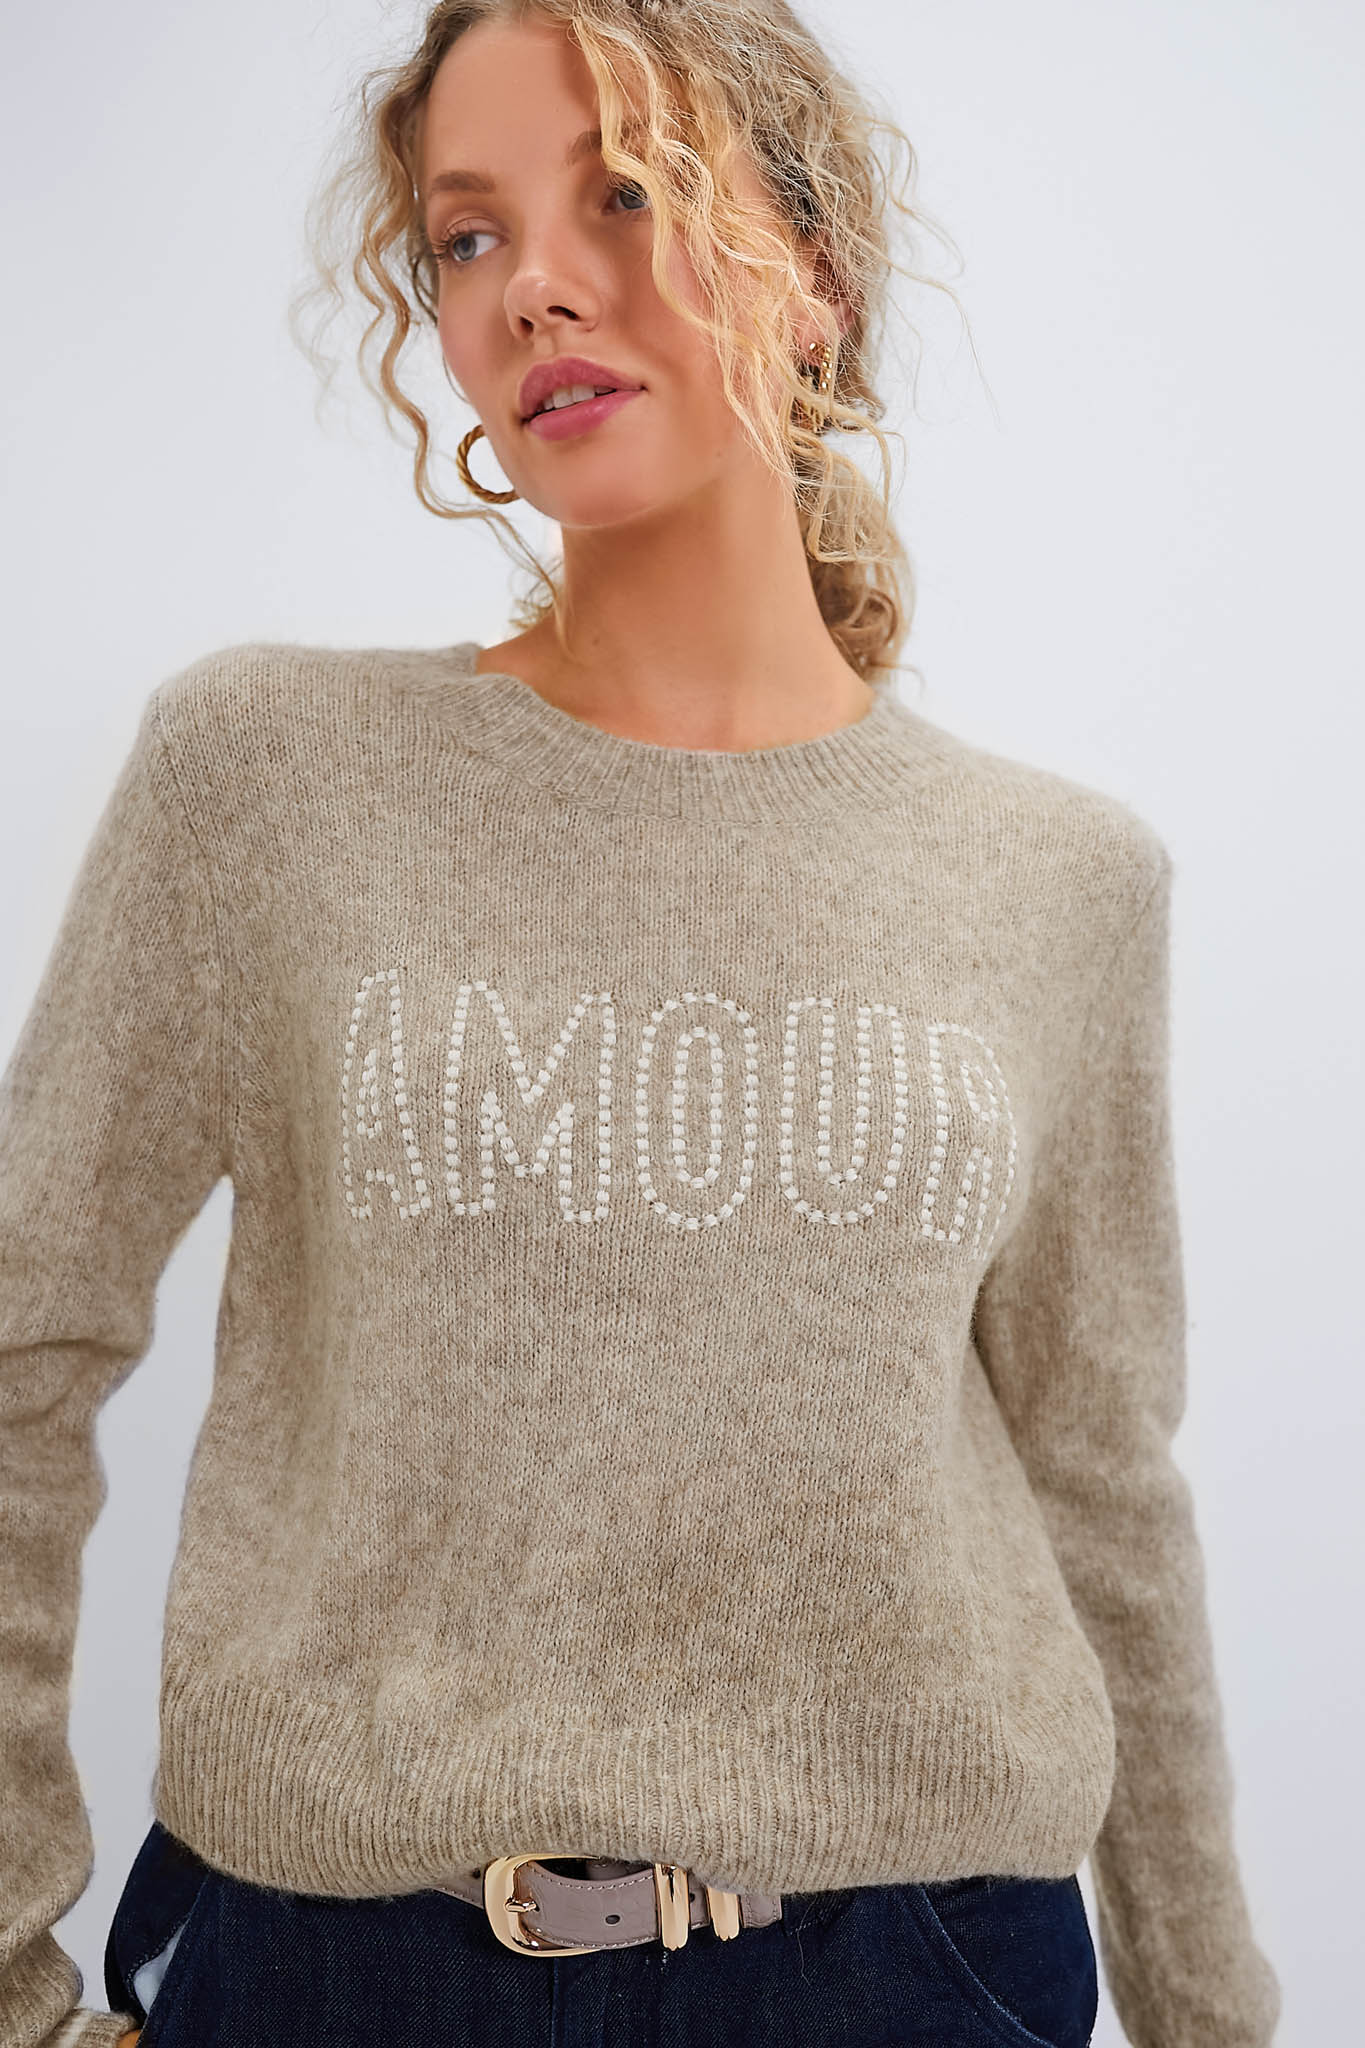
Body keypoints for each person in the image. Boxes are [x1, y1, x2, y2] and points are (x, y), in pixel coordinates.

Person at [0, 4, 1281, 2045]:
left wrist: (1210, 2013)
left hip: (921, 1969)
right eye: (466, 236)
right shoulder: (267, 775)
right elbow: (22, 1337)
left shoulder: (1056, 878)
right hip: (338, 1962)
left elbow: (1097, 1478)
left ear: (814, 276)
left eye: (625, 192)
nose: (534, 285)